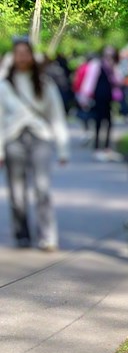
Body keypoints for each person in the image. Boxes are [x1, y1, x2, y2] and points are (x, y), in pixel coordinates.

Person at [1, 37, 70, 250]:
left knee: (42, 188)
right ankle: (22, 234)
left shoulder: (45, 84)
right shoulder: (4, 86)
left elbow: (56, 115)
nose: (22, 57)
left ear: (32, 56)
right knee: (17, 192)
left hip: (40, 138)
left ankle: (48, 236)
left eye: (25, 52)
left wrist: (62, 148)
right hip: (14, 140)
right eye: (18, 53)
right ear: (13, 56)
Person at [74, 45, 117, 149]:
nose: (109, 57)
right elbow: (90, 82)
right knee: (99, 120)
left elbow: (117, 80)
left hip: (108, 98)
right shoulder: (96, 65)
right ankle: (97, 145)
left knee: (108, 121)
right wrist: (85, 96)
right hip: (98, 97)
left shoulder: (113, 66)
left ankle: (106, 145)